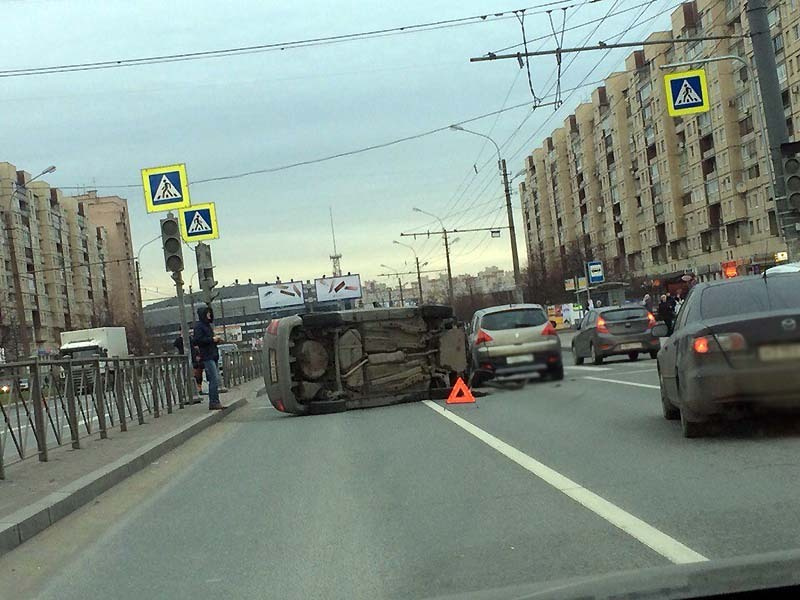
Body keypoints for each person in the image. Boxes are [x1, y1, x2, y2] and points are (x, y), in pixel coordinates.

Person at [193, 307, 226, 410]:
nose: (209, 315)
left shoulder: (207, 326)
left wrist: (216, 340)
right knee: (214, 379)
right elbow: (197, 340)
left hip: (212, 354)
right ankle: (214, 402)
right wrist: (212, 339)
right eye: (207, 314)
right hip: (207, 355)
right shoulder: (199, 326)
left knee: (215, 379)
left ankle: (215, 401)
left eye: (210, 313)